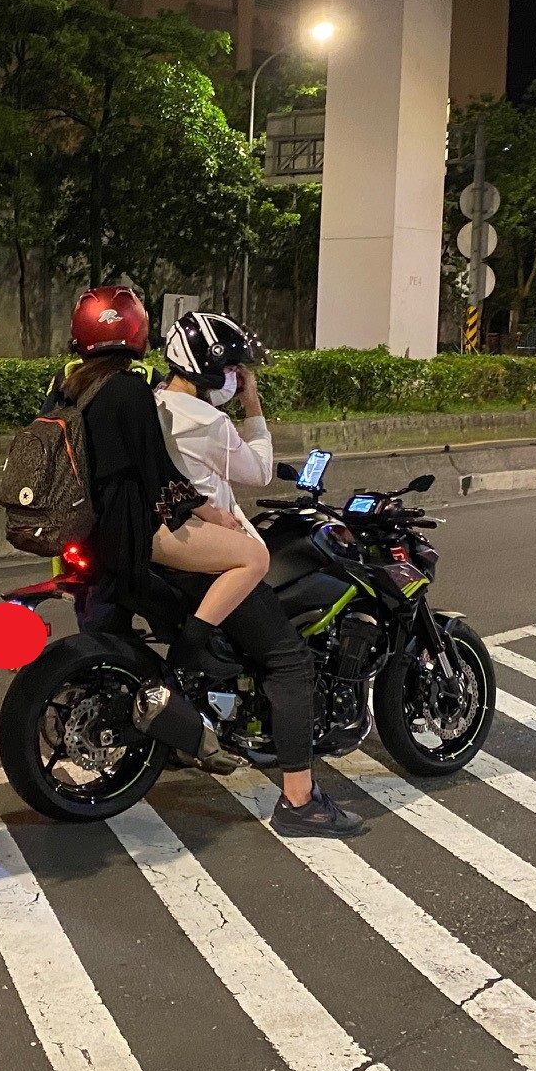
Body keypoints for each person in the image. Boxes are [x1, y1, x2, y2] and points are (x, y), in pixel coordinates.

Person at [157, 310, 363, 837]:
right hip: (209, 554)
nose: (236, 377)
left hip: (165, 545)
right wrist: (254, 407)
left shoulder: (155, 406)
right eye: (231, 370)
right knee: (290, 661)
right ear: (207, 369)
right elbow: (258, 471)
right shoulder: (208, 422)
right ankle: (299, 801)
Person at [56, 286, 264, 681]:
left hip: (86, 526)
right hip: (128, 529)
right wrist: (211, 512)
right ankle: (193, 650)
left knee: (107, 636)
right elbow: (159, 473)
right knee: (253, 557)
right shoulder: (131, 390)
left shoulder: (70, 387)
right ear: (137, 332)